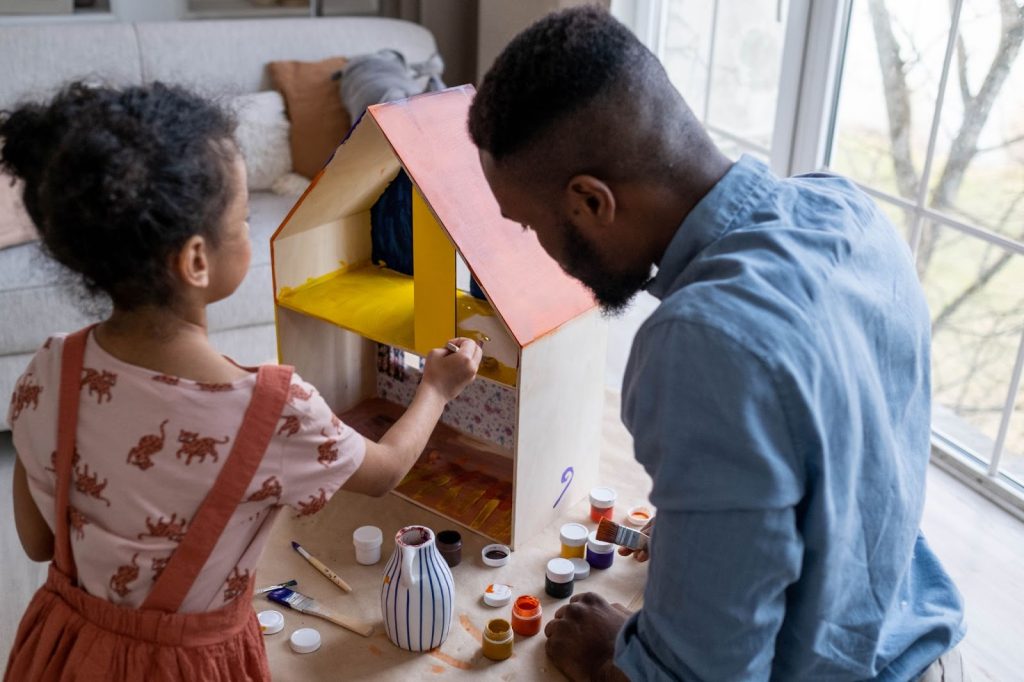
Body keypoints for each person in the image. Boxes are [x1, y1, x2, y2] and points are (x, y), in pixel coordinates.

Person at [468, 7, 966, 682]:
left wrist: (607, 656)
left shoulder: (700, 342)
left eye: (531, 227)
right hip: (914, 624)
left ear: (591, 202)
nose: (540, 252)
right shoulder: (844, 206)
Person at [3, 81, 481, 681]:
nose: (252, 229)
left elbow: (38, 543)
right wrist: (436, 387)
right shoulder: (273, 410)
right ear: (196, 260)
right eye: (243, 219)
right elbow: (384, 471)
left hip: (67, 651)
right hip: (191, 664)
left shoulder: (50, 369)